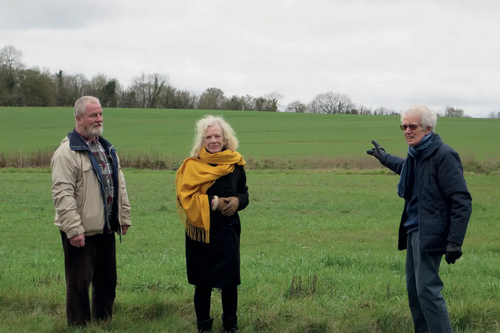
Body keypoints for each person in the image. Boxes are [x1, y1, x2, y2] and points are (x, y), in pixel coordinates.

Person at [366, 104, 472, 333]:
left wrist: (455, 241)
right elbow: (406, 168)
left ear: (428, 128)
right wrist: (384, 157)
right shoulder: (416, 155)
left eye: (412, 126)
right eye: (403, 126)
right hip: (413, 229)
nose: (406, 131)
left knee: (427, 290)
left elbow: (461, 199)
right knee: (415, 291)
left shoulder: (443, 155)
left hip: (431, 232)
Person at [51, 96, 132, 327]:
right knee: (78, 285)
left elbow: (120, 185)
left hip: (106, 228)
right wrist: (73, 229)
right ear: (78, 118)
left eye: (100, 114)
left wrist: (123, 217)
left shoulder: (107, 149)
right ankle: (79, 327)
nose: (99, 119)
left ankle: (103, 324)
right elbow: (62, 195)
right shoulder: (67, 153)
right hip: (81, 232)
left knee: (107, 282)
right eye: (93, 115)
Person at [175, 115, 249, 333]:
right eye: (209, 137)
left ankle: (230, 327)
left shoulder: (236, 164)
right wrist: (213, 203)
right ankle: (203, 328)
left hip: (228, 231)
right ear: (202, 140)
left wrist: (237, 201)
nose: (214, 140)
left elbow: (244, 194)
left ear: (225, 140)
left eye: (218, 136)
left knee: (229, 283)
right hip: (201, 233)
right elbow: (184, 198)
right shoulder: (192, 166)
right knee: (203, 283)